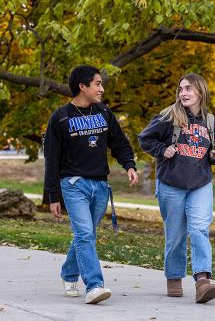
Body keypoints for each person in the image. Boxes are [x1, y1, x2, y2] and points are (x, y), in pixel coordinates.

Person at [44, 65, 138, 304]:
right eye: (97, 84)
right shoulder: (60, 117)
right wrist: (53, 195)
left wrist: (129, 165)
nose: (102, 88)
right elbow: (51, 159)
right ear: (82, 86)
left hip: (100, 185)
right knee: (85, 234)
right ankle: (95, 286)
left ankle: (68, 273)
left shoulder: (105, 113)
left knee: (86, 235)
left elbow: (119, 143)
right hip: (73, 184)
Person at [138, 73, 215, 304]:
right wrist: (161, 149)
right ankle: (174, 277)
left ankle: (203, 280)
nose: (183, 93)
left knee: (199, 229)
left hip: (200, 184)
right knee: (175, 235)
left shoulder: (211, 122)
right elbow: (144, 138)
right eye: (181, 89)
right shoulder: (168, 116)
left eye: (189, 89)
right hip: (171, 184)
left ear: (200, 92)